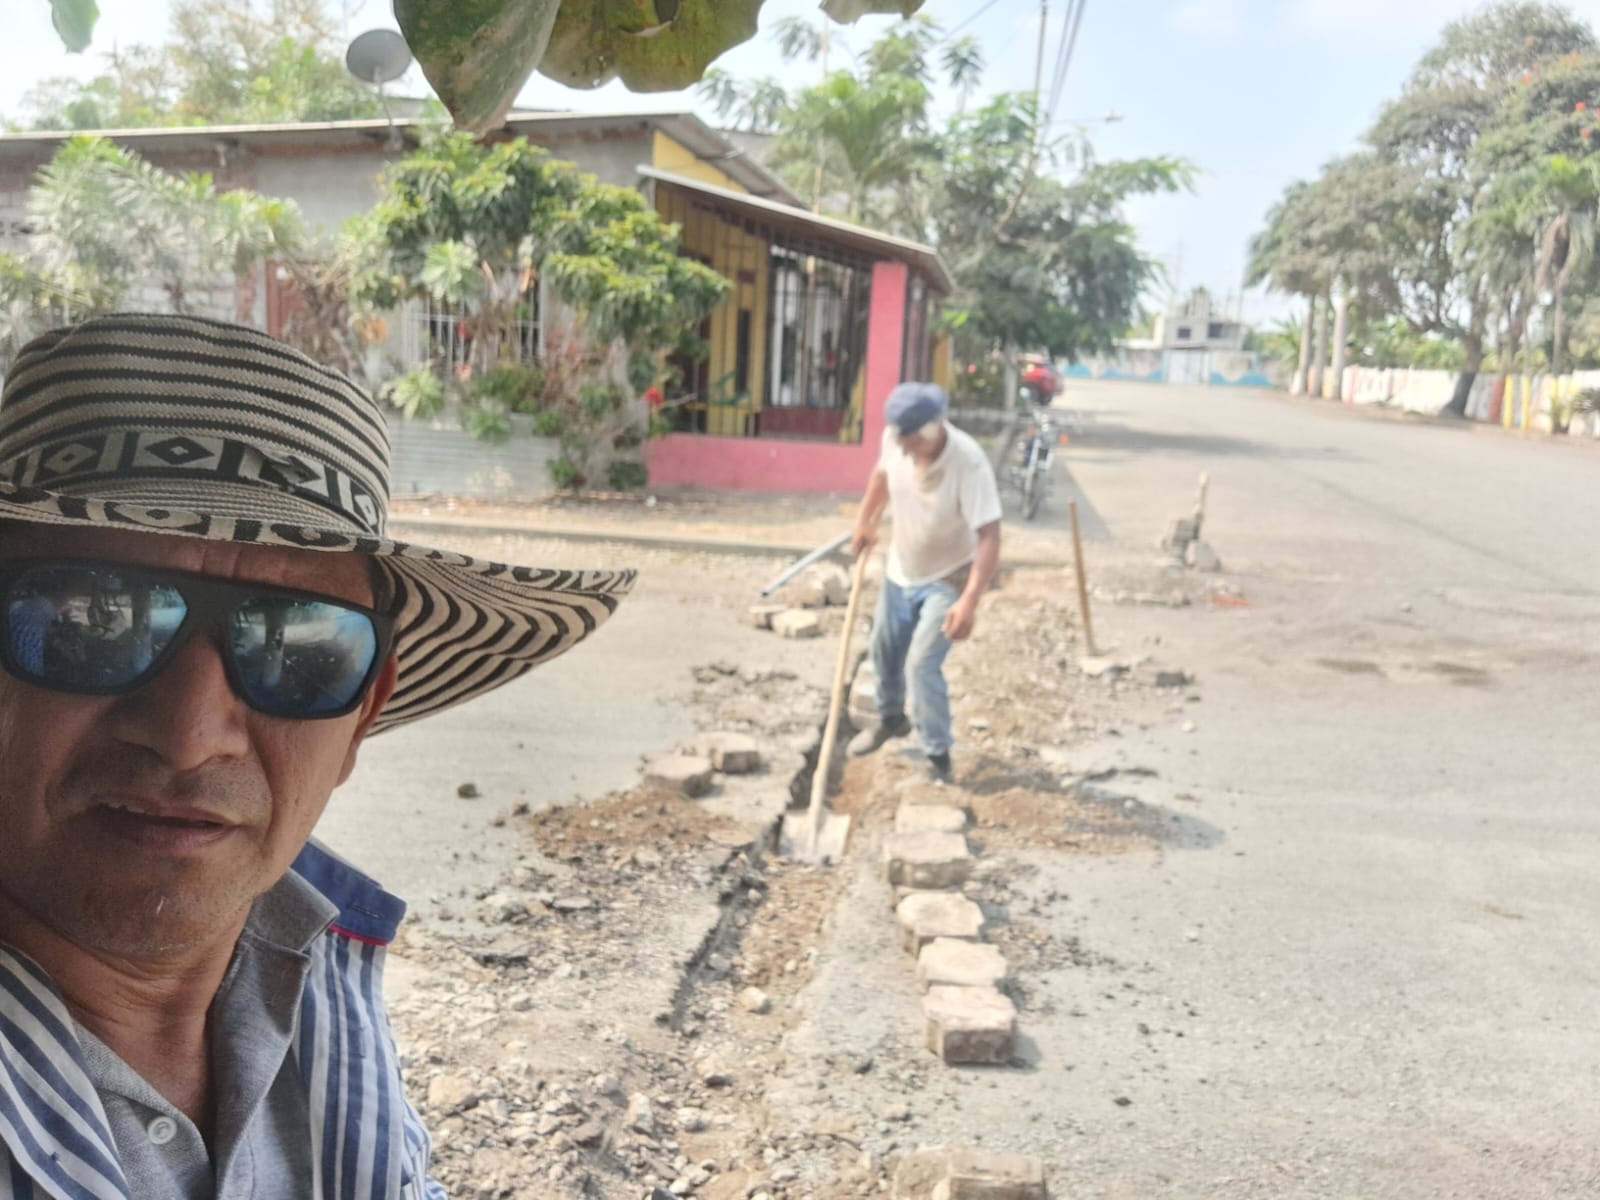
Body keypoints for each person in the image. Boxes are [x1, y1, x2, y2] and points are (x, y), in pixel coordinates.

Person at [0, 313, 634, 1198]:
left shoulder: (313, 969)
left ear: (363, 714)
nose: (190, 734)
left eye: (298, 650)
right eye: (89, 622)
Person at [847, 382, 1002, 784]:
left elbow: (989, 536)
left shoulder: (968, 463)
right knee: (883, 648)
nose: (905, 450)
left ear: (934, 430)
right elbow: (881, 477)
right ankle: (890, 719)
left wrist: (969, 602)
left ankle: (938, 756)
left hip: (948, 576)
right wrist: (865, 522)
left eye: (913, 443)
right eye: (901, 441)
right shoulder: (896, 440)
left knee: (921, 664)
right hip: (902, 568)